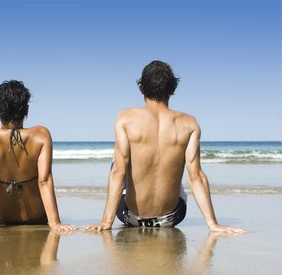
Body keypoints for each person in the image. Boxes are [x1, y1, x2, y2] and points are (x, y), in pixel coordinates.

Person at [84, 61, 244, 235]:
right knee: (176, 164)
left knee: (117, 162)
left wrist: (106, 222)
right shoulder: (189, 124)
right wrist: (213, 224)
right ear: (172, 89)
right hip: (171, 218)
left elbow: (118, 173)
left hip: (130, 216)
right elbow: (196, 176)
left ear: (141, 88)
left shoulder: (125, 119)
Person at [0, 80, 75, 232]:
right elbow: (44, 181)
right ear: (27, 109)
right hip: (36, 216)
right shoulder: (41, 135)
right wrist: (55, 223)